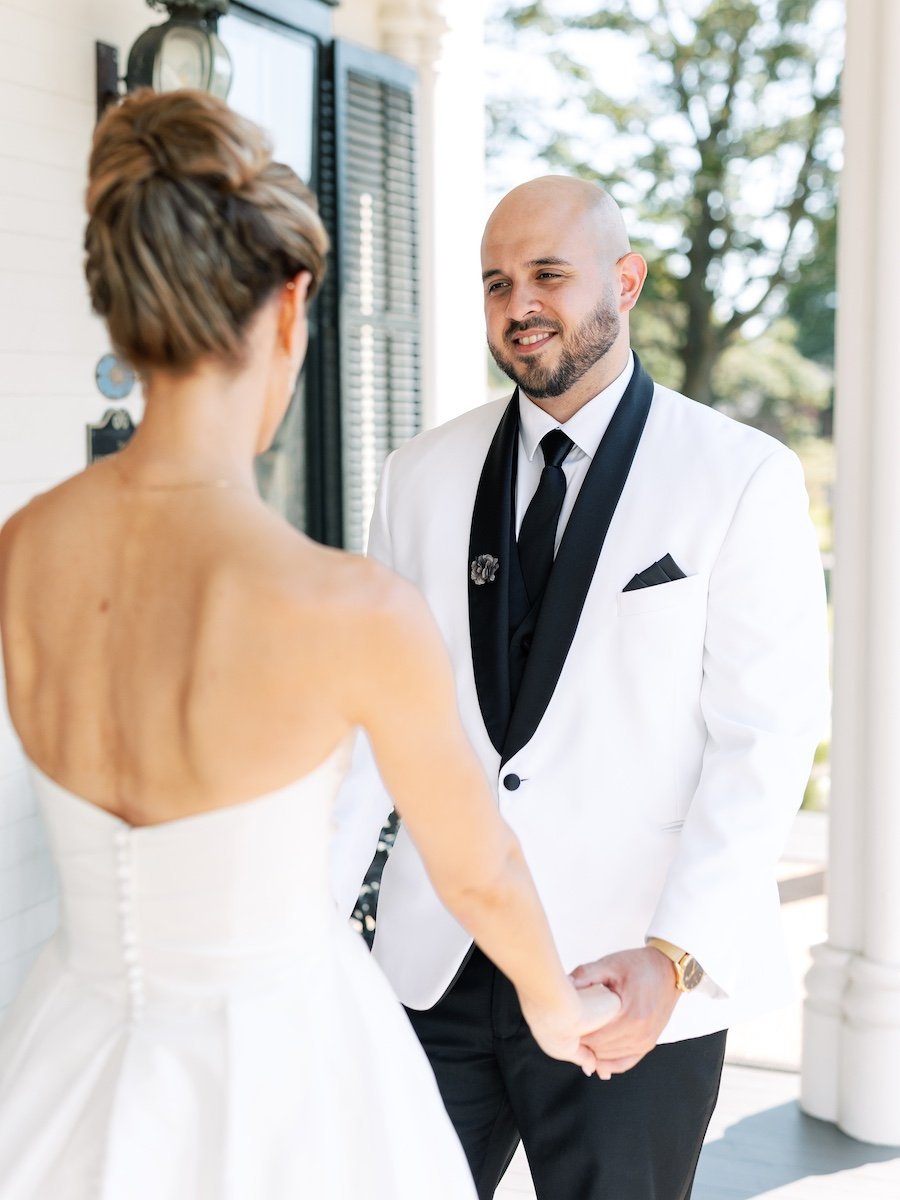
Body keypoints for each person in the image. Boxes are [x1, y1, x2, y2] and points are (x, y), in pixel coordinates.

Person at [0, 99, 619, 1200]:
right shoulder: (350, 608)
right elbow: (478, 873)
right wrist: (560, 1009)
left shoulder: (23, 550)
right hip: (279, 1086)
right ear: (290, 309)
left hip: (67, 1064)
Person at [331, 175, 831, 1199]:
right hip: (434, 967)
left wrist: (675, 957)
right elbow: (373, 729)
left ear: (627, 279)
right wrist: (316, 933)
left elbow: (765, 741)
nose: (520, 305)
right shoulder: (417, 474)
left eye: (549, 274)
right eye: (497, 282)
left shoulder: (741, 475)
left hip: (626, 981)